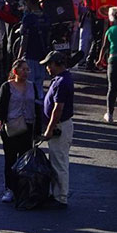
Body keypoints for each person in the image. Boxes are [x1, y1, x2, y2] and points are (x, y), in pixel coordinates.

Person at [0, 58, 38, 202]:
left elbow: (37, 106)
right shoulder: (7, 86)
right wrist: (0, 120)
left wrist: (38, 130)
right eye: (23, 69)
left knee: (25, 160)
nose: (26, 72)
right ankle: (10, 188)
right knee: (10, 159)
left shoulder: (32, 86)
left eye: (27, 69)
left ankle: (23, 188)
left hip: (28, 126)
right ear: (15, 71)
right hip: (12, 127)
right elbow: (0, 105)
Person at [41, 50, 75, 208]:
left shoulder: (62, 82)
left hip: (60, 125)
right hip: (61, 124)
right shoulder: (61, 79)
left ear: (57, 64)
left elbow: (58, 109)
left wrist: (49, 128)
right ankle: (56, 193)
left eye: (49, 64)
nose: (48, 68)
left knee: (59, 162)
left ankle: (60, 197)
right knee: (56, 161)